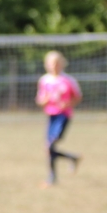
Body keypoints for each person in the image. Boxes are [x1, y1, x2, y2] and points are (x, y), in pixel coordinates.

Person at [35, 51, 82, 187]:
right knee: (48, 148)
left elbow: (77, 97)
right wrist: (44, 100)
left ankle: (53, 177)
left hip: (63, 116)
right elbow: (40, 100)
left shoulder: (68, 80)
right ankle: (70, 160)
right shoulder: (44, 80)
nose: (54, 66)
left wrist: (68, 104)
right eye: (51, 63)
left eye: (56, 63)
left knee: (50, 145)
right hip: (51, 116)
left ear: (62, 64)